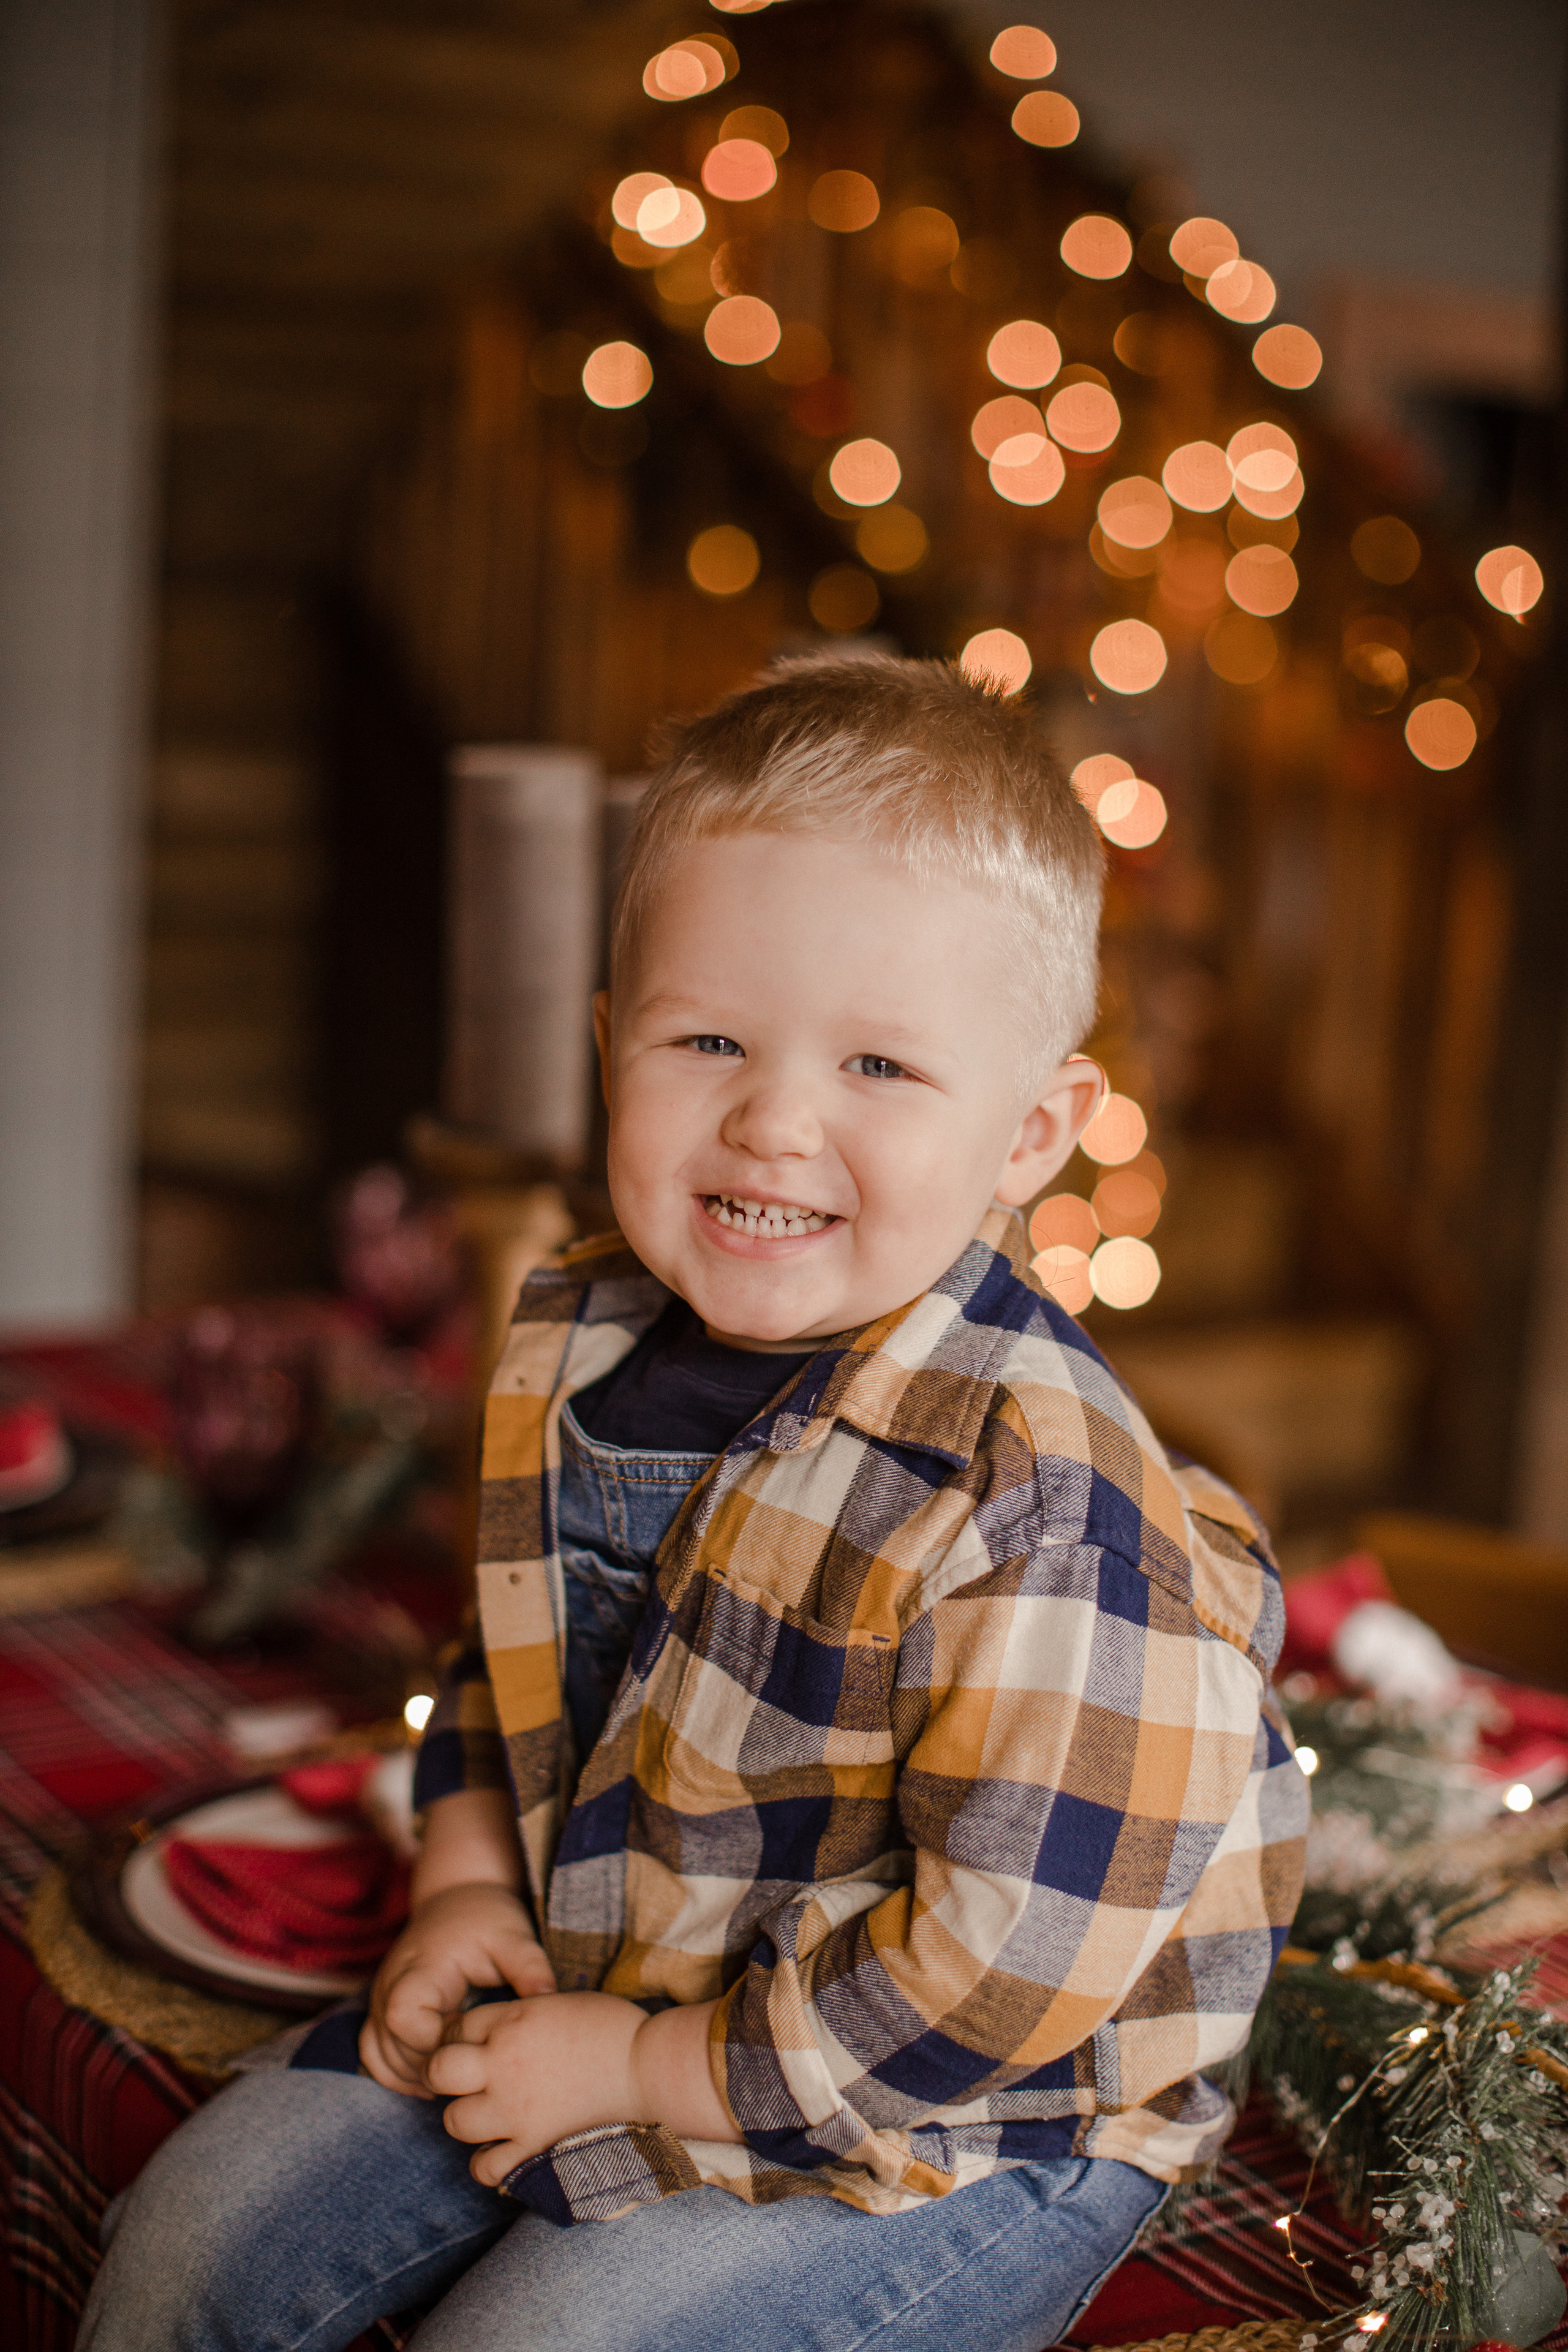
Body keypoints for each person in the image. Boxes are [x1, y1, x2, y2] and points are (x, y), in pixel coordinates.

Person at [80, 655, 1309, 2352]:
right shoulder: (579, 1337)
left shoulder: (1046, 1508)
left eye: (880, 1065)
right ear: (612, 1048)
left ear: (1035, 1133)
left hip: (968, 2108)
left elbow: (1008, 1970)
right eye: (709, 1037)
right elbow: (514, 1669)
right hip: (624, 1956)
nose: (773, 1120)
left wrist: (656, 2070)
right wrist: (461, 1886)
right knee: (185, 2242)